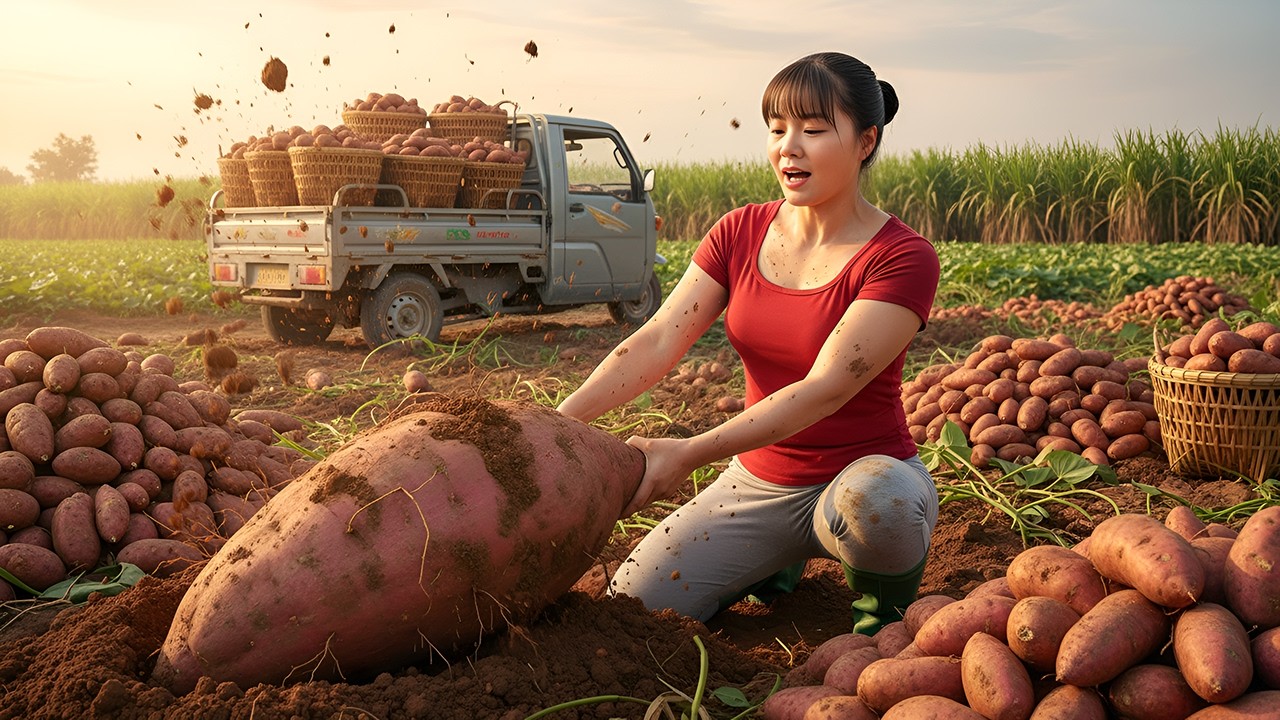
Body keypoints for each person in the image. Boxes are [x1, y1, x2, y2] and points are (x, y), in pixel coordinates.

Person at [556, 51, 940, 634]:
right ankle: (771, 565)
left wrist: (686, 452)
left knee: (880, 504)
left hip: (863, 474)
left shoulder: (902, 256)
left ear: (865, 142)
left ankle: (884, 624)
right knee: (634, 603)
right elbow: (659, 339)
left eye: (813, 130)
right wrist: (556, 424)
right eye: (778, 129)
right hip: (756, 480)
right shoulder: (740, 231)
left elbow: (825, 389)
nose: (790, 147)